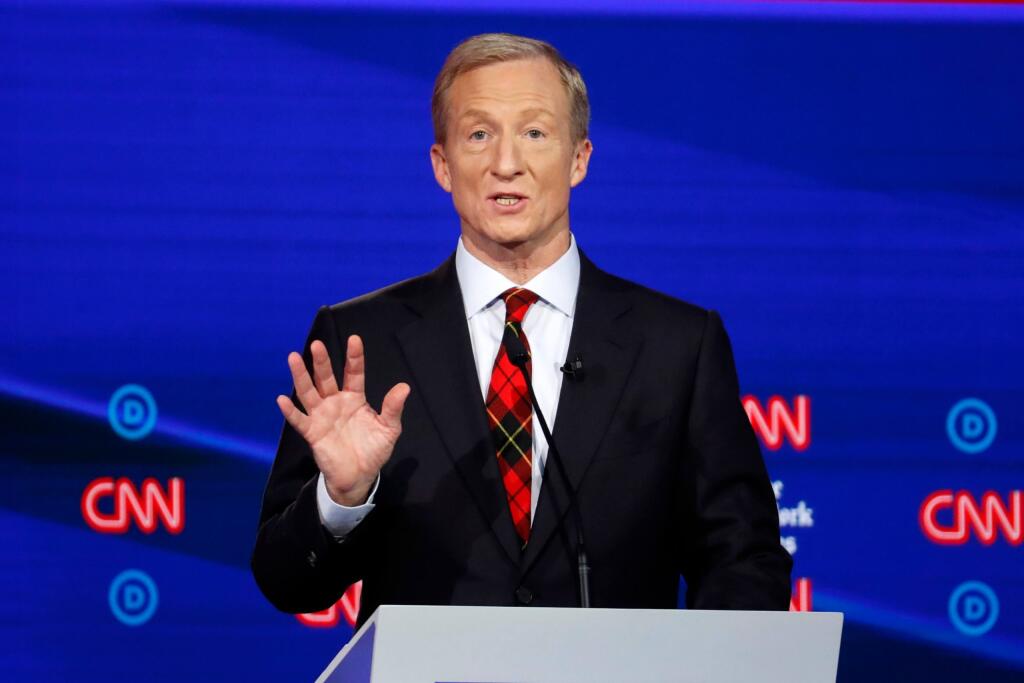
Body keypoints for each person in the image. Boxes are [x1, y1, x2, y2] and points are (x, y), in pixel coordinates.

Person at [251, 33, 791, 626]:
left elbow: (744, 561)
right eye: (479, 134)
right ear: (442, 164)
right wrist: (341, 501)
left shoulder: (678, 346)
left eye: (534, 132)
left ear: (579, 158)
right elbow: (287, 582)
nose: (506, 162)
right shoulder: (360, 340)